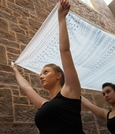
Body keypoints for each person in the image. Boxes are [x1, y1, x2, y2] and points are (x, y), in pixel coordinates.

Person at [10, 0, 85, 134]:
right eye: (41, 73)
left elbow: (65, 51)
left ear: (58, 75)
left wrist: (61, 18)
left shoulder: (71, 92)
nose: (41, 76)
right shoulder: (45, 104)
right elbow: (26, 87)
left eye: (45, 72)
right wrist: (15, 70)